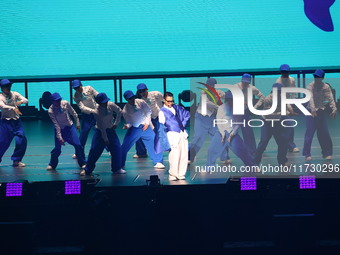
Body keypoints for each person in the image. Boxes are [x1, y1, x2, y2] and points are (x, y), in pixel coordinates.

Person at [206, 91, 257, 168]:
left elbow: (238, 123)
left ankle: (252, 166)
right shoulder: (221, 107)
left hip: (233, 134)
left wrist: (232, 134)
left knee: (243, 150)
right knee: (212, 149)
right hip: (221, 133)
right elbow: (219, 121)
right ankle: (208, 167)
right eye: (228, 100)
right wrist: (223, 134)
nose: (230, 101)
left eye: (232, 99)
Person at [79, 92, 124, 175]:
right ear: (99, 103)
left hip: (110, 130)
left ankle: (116, 168)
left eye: (106, 101)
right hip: (100, 132)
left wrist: (116, 123)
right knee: (94, 151)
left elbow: (119, 111)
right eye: (103, 102)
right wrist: (105, 139)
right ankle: (87, 170)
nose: (106, 103)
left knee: (117, 148)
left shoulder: (110, 105)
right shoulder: (97, 111)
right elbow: (102, 126)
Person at [254, 83, 297, 165]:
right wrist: (287, 113)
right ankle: (255, 163)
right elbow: (270, 113)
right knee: (263, 141)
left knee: (282, 142)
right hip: (267, 122)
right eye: (277, 91)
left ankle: (282, 161)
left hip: (277, 121)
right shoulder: (268, 99)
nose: (279, 93)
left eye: (280, 91)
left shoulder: (282, 98)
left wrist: (290, 110)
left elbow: (286, 106)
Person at [121, 90, 164, 169]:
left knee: (154, 141)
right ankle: (119, 164)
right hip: (134, 128)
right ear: (127, 99)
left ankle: (158, 162)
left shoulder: (141, 102)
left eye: (133, 97)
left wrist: (147, 123)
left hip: (145, 127)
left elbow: (148, 112)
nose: (132, 99)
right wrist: (127, 126)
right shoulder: (125, 109)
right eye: (130, 98)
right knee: (125, 146)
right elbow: (129, 121)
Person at [189, 78, 228, 163]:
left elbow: (227, 96)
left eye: (212, 86)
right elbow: (206, 102)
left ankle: (224, 157)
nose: (210, 88)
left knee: (220, 136)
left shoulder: (219, 92)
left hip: (213, 118)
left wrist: (228, 97)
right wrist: (219, 107)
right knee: (198, 137)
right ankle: (190, 158)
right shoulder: (203, 92)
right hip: (201, 117)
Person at [303, 69, 337, 161]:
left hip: (321, 111)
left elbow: (330, 98)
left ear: (322, 78)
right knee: (309, 133)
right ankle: (307, 154)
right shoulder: (310, 86)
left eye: (318, 77)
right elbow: (311, 98)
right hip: (310, 111)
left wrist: (334, 108)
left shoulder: (326, 87)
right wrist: (313, 109)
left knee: (324, 133)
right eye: (315, 76)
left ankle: (327, 153)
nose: (316, 78)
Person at [46, 92, 86, 170]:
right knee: (57, 149)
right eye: (56, 100)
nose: (58, 102)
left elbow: (74, 113)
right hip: (60, 129)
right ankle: (52, 164)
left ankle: (82, 162)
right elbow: (56, 124)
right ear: (53, 101)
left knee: (78, 144)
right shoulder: (50, 110)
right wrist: (60, 137)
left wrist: (77, 123)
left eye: (59, 100)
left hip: (70, 127)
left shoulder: (65, 103)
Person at [158, 92, 190, 180]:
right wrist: (164, 141)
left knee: (183, 154)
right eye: (168, 101)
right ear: (164, 100)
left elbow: (187, 114)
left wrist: (183, 123)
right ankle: (172, 174)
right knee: (174, 154)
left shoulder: (177, 107)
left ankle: (181, 173)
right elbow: (161, 127)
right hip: (172, 134)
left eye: (171, 101)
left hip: (182, 132)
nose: (170, 103)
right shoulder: (162, 111)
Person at [234, 73, 265, 155]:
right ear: (241, 80)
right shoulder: (235, 87)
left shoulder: (252, 88)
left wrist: (254, 107)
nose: (245, 84)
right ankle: (226, 154)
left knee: (248, 132)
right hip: (234, 111)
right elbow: (228, 98)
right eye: (244, 82)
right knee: (230, 131)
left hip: (245, 112)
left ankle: (251, 150)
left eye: (247, 82)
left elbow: (262, 97)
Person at [0, 79, 28, 167]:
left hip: (16, 121)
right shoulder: (0, 97)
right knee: (3, 142)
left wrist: (21, 101)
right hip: (6, 122)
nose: (8, 88)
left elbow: (26, 100)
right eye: (6, 86)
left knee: (22, 139)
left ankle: (17, 160)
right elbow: (3, 106)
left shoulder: (14, 94)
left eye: (9, 86)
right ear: (2, 88)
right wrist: (13, 108)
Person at [134, 83, 163, 158]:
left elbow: (165, 101)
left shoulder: (156, 94)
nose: (142, 93)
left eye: (143, 91)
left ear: (147, 89)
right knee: (139, 134)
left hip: (159, 116)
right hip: (148, 119)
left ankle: (173, 150)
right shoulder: (140, 101)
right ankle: (141, 152)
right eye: (140, 91)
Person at [72, 79, 99, 158]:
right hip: (87, 115)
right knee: (84, 134)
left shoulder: (89, 88)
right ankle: (78, 152)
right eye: (75, 88)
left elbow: (97, 95)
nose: (77, 89)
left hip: (96, 114)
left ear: (81, 85)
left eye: (78, 87)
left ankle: (109, 149)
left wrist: (100, 107)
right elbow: (82, 108)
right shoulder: (75, 96)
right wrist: (93, 111)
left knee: (100, 132)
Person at [276, 64, 299, 152]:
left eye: (286, 72)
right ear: (281, 72)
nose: (285, 74)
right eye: (283, 72)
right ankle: (290, 145)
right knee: (284, 126)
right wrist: (289, 108)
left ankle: (290, 145)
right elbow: (281, 97)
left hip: (287, 104)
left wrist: (292, 104)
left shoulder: (292, 80)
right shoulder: (278, 82)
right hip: (279, 105)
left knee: (288, 125)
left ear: (289, 72)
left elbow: (293, 92)